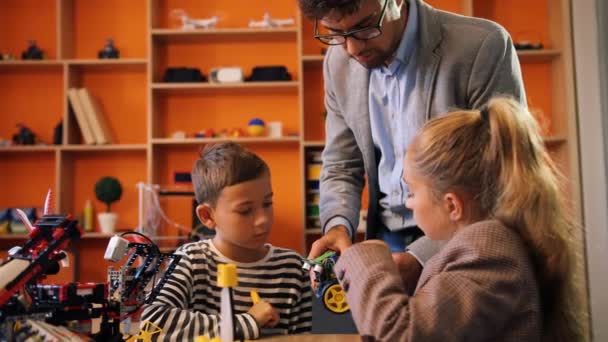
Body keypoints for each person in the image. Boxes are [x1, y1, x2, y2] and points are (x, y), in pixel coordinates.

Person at [298, 0, 526, 290]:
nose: (352, 49)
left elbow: (504, 174)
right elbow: (342, 163)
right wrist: (338, 225)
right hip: (385, 238)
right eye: (335, 33)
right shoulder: (337, 62)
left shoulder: (482, 46)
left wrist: (422, 257)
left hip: (464, 237)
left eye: (364, 27)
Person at [331, 97, 585, 341]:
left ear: (452, 205)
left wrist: (370, 259)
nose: (408, 203)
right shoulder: (485, 249)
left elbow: (401, 335)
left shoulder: (489, 254)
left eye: (412, 192)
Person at [141, 142, 312, 340]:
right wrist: (248, 322)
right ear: (207, 216)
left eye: (267, 203)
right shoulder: (191, 261)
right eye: (245, 210)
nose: (263, 219)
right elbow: (152, 320)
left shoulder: (293, 268)